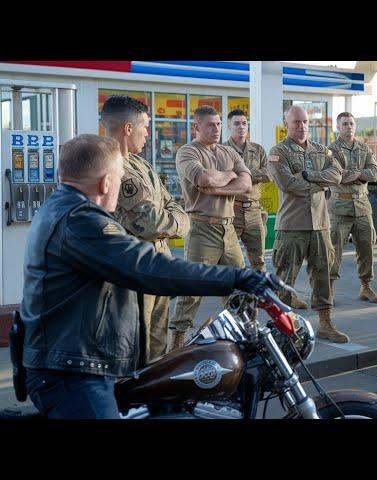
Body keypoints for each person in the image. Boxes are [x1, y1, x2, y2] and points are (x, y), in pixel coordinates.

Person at [20, 134, 271, 419]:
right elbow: (149, 267)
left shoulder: (62, 207)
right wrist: (237, 278)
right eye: (117, 176)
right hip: (73, 373)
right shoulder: (82, 222)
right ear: (106, 183)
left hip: (73, 358)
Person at [101, 95, 190, 363]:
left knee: (157, 348)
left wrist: (175, 221)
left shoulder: (142, 165)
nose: (148, 134)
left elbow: (174, 206)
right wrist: (176, 223)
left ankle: (155, 401)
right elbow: (151, 223)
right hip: (135, 272)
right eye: (145, 126)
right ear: (128, 128)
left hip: (156, 267)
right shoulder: (112, 167)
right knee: (136, 349)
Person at [168, 106, 252, 350]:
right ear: (197, 127)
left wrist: (218, 185)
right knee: (191, 289)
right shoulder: (187, 152)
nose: (216, 129)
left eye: (217, 124)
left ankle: (242, 334)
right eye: (209, 125)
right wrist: (228, 177)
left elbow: (246, 184)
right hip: (202, 228)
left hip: (229, 229)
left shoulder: (229, 152)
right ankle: (177, 341)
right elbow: (204, 179)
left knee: (238, 286)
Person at [268, 105, 347, 343]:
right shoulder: (278, 152)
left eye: (304, 122)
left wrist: (310, 176)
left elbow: (337, 176)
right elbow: (287, 184)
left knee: (323, 275)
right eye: (296, 122)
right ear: (286, 125)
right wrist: (321, 184)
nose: (302, 126)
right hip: (292, 226)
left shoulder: (322, 151)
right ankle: (283, 328)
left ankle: (325, 323)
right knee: (285, 279)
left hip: (320, 225)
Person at [328, 112, 377, 303]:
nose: (348, 127)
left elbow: (375, 173)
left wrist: (356, 174)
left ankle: (366, 287)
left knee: (366, 247)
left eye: (351, 123)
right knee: (333, 250)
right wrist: (360, 175)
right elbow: (338, 175)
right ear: (338, 127)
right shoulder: (331, 150)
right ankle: (329, 289)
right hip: (339, 207)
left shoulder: (364, 148)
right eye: (344, 124)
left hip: (362, 206)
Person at [224, 109, 271, 271]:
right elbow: (220, 177)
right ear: (229, 126)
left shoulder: (257, 150)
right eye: (236, 123)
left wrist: (242, 175)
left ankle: (259, 296)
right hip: (231, 211)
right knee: (230, 262)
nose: (241, 127)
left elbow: (269, 173)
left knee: (259, 261)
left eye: (244, 123)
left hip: (254, 212)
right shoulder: (221, 150)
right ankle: (232, 297)